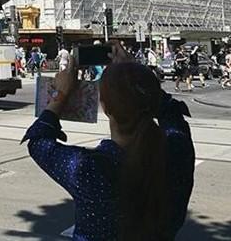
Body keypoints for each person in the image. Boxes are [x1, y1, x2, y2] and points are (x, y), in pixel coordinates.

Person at [22, 41, 195, 240]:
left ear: (105, 107)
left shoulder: (91, 169)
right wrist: (136, 74)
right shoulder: (178, 150)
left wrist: (61, 93)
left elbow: (38, 142)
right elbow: (171, 111)